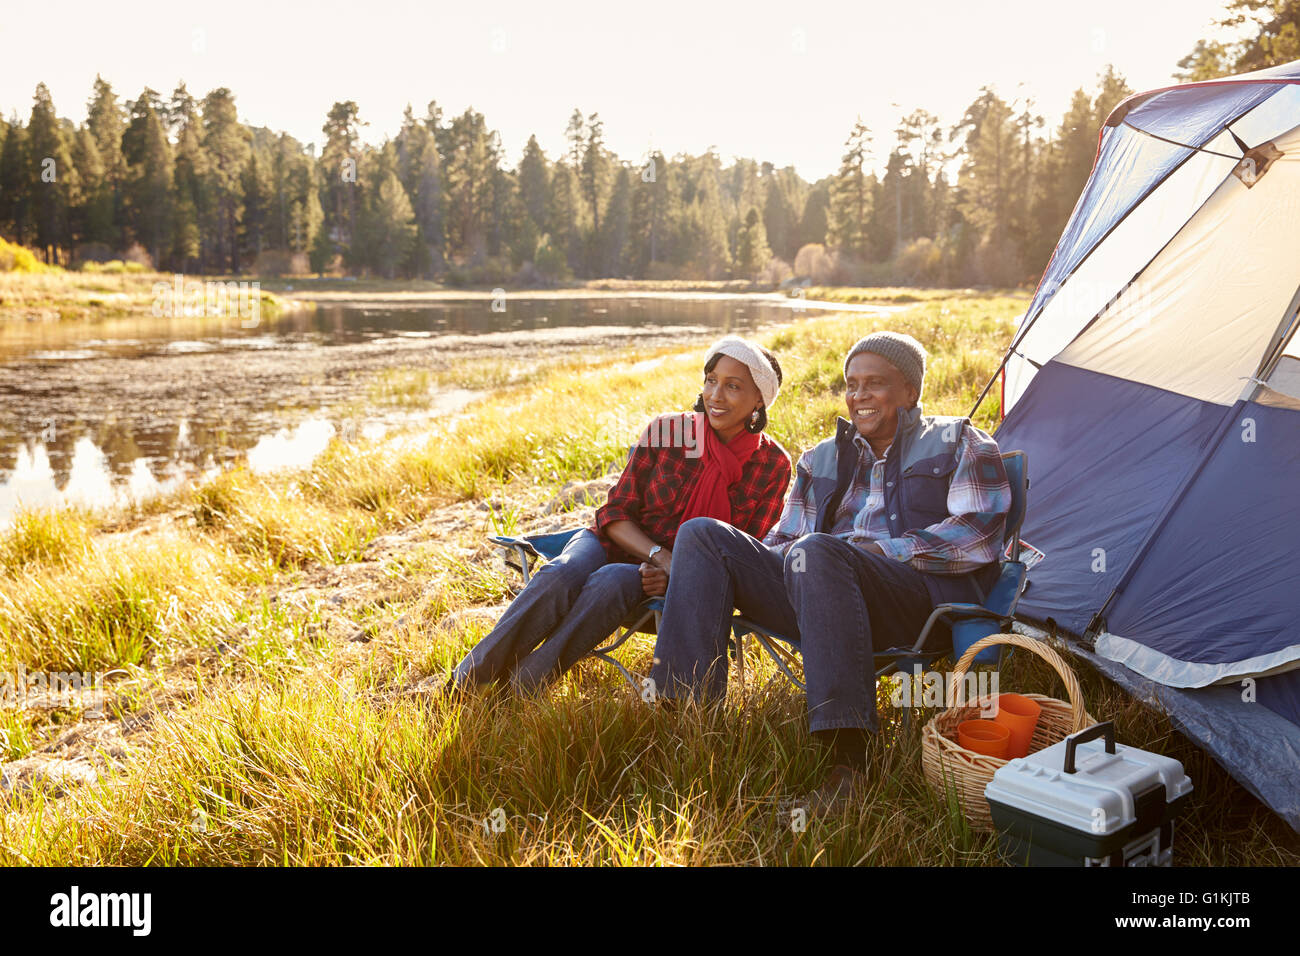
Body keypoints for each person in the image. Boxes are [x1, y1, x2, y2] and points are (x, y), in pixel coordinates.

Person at [647, 331, 1012, 809]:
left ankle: (849, 764)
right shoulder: (819, 458)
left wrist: (882, 552)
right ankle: (687, 719)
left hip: (914, 604)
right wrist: (763, 564)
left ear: (910, 392)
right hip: (817, 595)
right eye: (852, 384)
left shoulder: (958, 440)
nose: (859, 395)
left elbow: (979, 533)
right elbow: (782, 541)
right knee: (702, 534)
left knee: (819, 550)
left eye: (875, 383)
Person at [446, 336, 792, 694]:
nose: (715, 395)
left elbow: (737, 556)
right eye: (711, 380)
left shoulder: (772, 465)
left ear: (759, 401)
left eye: (733, 387)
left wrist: (676, 577)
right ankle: (466, 682)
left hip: (670, 582)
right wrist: (662, 557)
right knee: (563, 573)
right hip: (611, 540)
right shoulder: (667, 431)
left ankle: (520, 688)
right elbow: (614, 513)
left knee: (613, 582)